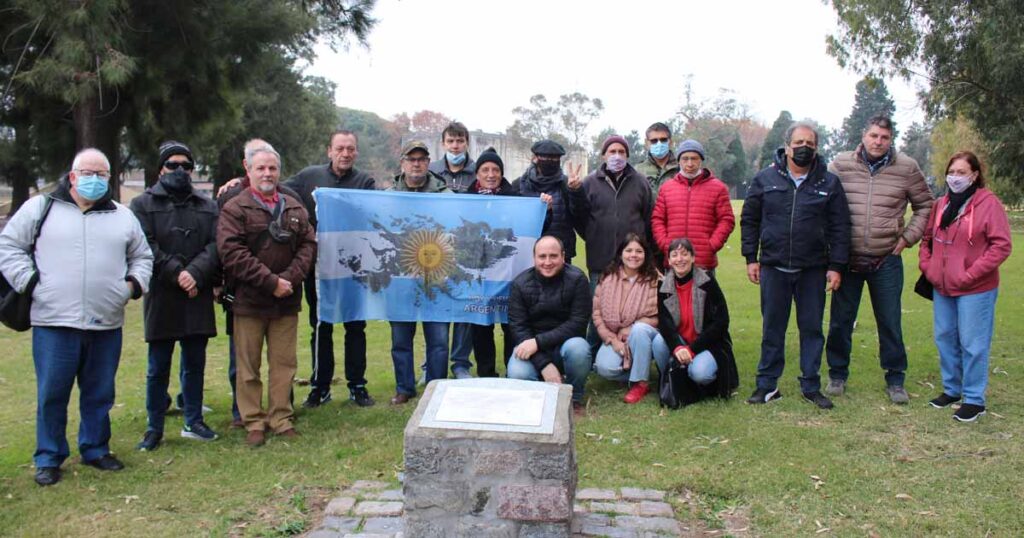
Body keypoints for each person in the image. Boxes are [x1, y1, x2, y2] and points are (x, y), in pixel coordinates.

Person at [0, 148, 153, 486]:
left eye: (101, 174)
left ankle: (95, 448)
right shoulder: (41, 208)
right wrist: (29, 282)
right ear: (72, 176)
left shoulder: (123, 216)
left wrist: (130, 286)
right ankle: (49, 456)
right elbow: (8, 246)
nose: (94, 179)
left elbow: (142, 257)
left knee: (99, 392)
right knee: (52, 393)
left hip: (105, 321)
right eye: (88, 173)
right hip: (54, 321)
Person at [740, 122, 850, 409]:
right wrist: (751, 257)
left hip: (813, 269)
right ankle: (767, 385)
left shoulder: (829, 183)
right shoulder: (764, 179)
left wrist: (836, 265)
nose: (804, 148)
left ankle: (811, 386)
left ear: (816, 148)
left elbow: (840, 227)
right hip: (773, 267)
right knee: (772, 329)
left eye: (810, 144)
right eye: (799, 143)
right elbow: (750, 220)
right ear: (787, 146)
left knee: (812, 329)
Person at [825, 116, 934, 403]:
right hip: (847, 260)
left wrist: (907, 238)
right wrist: (831, 245)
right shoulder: (841, 164)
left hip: (886, 258)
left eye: (884, 137)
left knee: (890, 322)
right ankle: (837, 375)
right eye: (874, 135)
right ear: (864, 136)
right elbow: (823, 201)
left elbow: (925, 205)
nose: (878, 142)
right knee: (840, 321)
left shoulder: (906, 167)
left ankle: (895, 379)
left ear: (891, 139)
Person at [217, 146, 316, 446]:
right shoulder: (235, 208)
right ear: (247, 169)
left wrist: (288, 279)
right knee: (248, 366)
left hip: (286, 301)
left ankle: (281, 418)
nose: (267, 174)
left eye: (272, 168)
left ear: (279, 171)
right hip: (249, 301)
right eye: (260, 168)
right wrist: (270, 282)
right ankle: (253, 421)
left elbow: (308, 245)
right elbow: (232, 252)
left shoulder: (294, 207)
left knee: (284, 364)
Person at [130, 141, 220, 451]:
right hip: (163, 294)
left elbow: (215, 245)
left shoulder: (208, 206)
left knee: (194, 362)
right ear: (160, 169)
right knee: (158, 366)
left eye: (186, 165)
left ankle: (193, 419)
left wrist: (195, 273)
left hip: (197, 291)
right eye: (173, 165)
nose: (179, 170)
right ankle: (154, 426)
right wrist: (176, 272)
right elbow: (145, 245)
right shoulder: (142, 204)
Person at [284, 130, 377, 409]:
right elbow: (275, 189)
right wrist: (238, 183)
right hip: (319, 267)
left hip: (353, 266)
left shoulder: (365, 182)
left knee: (355, 325)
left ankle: (357, 385)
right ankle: (320, 386)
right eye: (340, 148)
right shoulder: (308, 177)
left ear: (356, 152)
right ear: (329, 151)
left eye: (350, 149)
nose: (345, 154)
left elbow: (373, 214)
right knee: (320, 326)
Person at [919, 151, 1011, 422]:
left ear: (974, 175)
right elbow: (927, 240)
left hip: (976, 288)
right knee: (945, 337)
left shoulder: (988, 204)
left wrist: (970, 274)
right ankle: (952, 389)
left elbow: (1001, 245)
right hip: (942, 286)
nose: (955, 177)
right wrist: (928, 267)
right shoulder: (941, 204)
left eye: (961, 172)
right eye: (952, 172)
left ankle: (973, 399)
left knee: (973, 342)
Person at [571, 134, 654, 352]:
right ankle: (592, 353)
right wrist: (593, 235)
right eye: (612, 151)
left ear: (627, 155)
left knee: (632, 309)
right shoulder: (590, 182)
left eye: (621, 152)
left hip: (633, 261)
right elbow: (579, 218)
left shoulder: (640, 182)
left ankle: (630, 351)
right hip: (600, 259)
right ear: (603, 155)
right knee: (598, 312)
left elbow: (648, 218)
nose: (617, 156)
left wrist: (642, 246)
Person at [387, 141, 452, 404]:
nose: (416, 164)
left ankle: (436, 387)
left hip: (436, 277)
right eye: (411, 159)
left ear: (428, 162)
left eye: (422, 159)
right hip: (401, 279)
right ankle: (404, 387)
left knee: (438, 338)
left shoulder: (446, 195)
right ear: (402, 163)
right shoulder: (389, 195)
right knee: (400, 337)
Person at [507, 236, 592, 415]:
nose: (547, 262)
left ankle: (574, 397)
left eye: (553, 256)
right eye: (542, 256)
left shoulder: (578, 279)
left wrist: (538, 342)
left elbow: (577, 323)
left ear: (563, 256)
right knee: (517, 373)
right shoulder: (520, 284)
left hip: (564, 345)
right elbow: (518, 328)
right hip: (531, 349)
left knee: (579, 349)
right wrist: (544, 364)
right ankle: (541, 398)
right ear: (534, 258)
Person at [656, 238, 739, 405]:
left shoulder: (707, 281)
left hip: (707, 344)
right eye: (674, 255)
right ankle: (672, 379)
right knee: (658, 342)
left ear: (693, 258)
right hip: (681, 343)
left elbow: (721, 322)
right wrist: (678, 347)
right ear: (669, 261)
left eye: (684, 254)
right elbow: (664, 322)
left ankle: (699, 382)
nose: (680, 259)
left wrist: (692, 349)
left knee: (699, 373)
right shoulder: (664, 286)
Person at [591, 233, 667, 403]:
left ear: (645, 255)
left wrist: (631, 328)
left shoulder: (655, 279)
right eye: (629, 250)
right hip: (615, 336)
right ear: (621, 253)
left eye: (639, 251)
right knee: (605, 369)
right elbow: (597, 314)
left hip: (646, 335)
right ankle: (641, 369)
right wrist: (613, 340)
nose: (634, 255)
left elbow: (661, 316)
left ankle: (640, 383)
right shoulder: (607, 277)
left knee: (639, 330)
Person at [466, 147, 519, 377]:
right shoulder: (465, 199)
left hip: (509, 273)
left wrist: (545, 210)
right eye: (485, 169)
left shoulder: (516, 199)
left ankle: (514, 371)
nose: (490, 174)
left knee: (511, 324)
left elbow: (532, 227)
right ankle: (486, 373)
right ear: (477, 173)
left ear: (501, 173)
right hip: (479, 274)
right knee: (481, 325)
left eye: (495, 169)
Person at [651, 139, 735, 272]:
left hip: (703, 263)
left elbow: (726, 220)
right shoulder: (667, 188)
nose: (689, 164)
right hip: (674, 261)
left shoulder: (718, 188)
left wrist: (711, 246)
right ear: (679, 161)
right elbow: (658, 219)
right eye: (685, 159)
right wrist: (665, 244)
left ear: (701, 160)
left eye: (694, 158)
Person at [511, 140, 582, 265]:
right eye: (545, 157)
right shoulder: (519, 184)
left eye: (555, 158)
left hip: (560, 253)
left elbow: (579, 214)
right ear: (535, 158)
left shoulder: (566, 184)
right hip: (527, 252)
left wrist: (576, 191)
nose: (550, 161)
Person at [428, 121, 476, 192]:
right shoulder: (431, 171)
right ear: (443, 144)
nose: (455, 146)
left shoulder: (478, 172)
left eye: (460, 141)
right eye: (450, 141)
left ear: (467, 143)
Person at [635, 122, 679, 197]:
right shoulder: (638, 171)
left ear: (670, 142)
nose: (659, 144)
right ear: (647, 143)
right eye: (654, 141)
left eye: (663, 140)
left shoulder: (681, 168)